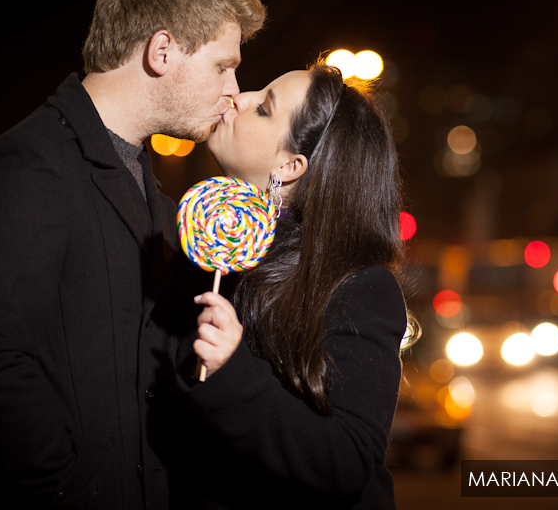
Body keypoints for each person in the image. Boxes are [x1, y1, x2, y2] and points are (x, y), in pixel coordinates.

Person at [0, 0, 265, 509]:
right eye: (223, 65)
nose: (233, 88)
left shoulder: (148, 189)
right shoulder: (26, 168)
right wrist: (71, 486)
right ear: (162, 51)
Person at [166, 62, 409, 509]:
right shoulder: (207, 251)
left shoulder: (359, 288)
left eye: (263, 108)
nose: (240, 97)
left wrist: (232, 371)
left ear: (291, 164)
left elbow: (349, 458)